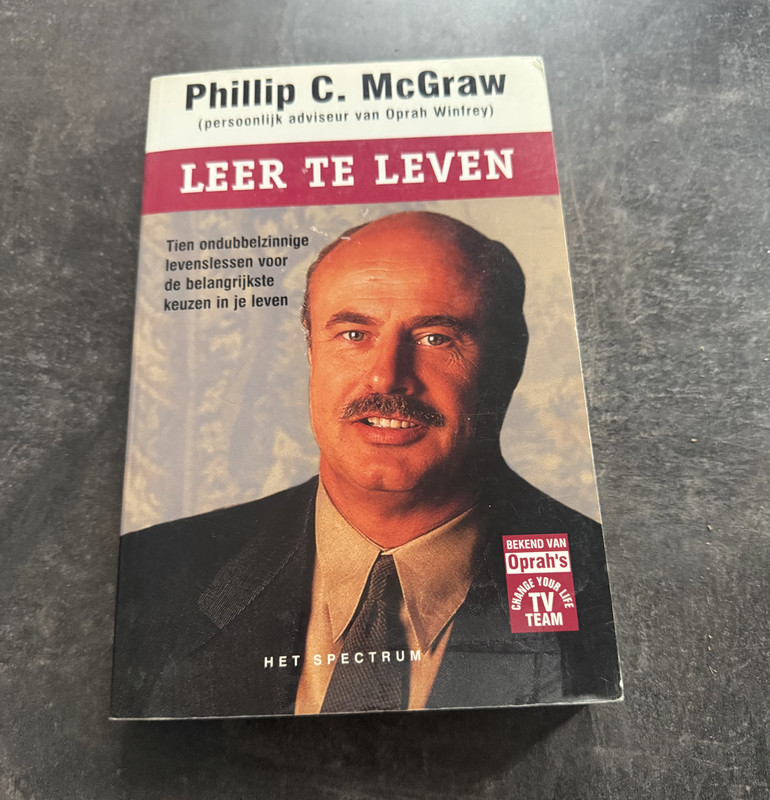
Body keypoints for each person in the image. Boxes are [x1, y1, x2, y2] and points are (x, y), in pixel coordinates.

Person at [111, 212, 620, 718]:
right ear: (311, 351)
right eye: (354, 334)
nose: (386, 377)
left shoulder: (602, 585)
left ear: (509, 361)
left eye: (436, 337)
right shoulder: (156, 576)